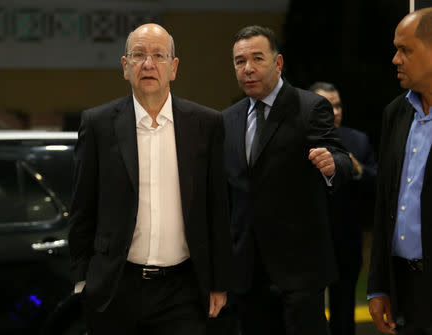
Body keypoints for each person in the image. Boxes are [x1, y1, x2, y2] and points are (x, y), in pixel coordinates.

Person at [68, 23, 232, 335]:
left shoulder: (206, 125)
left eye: (159, 55)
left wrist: (219, 282)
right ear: (125, 67)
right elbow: (82, 207)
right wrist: (82, 281)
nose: (148, 64)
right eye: (138, 55)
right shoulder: (99, 124)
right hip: (115, 288)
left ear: (174, 67)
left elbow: (218, 209)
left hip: (182, 289)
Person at [222, 25, 352, 335]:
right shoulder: (228, 119)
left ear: (278, 63)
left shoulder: (310, 108)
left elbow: (342, 160)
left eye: (257, 59)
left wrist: (332, 165)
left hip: (300, 270)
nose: (248, 68)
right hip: (247, 272)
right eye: (240, 61)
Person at [368, 8, 432, 335]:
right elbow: (384, 205)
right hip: (404, 287)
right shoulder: (395, 113)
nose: (395, 59)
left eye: (405, 50)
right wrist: (379, 287)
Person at [311, 82, 377, 335]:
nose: (335, 111)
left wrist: (357, 169)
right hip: (309, 242)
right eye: (327, 106)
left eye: (337, 105)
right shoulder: (298, 140)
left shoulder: (358, 140)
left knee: (344, 311)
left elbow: (377, 180)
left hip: (346, 239)